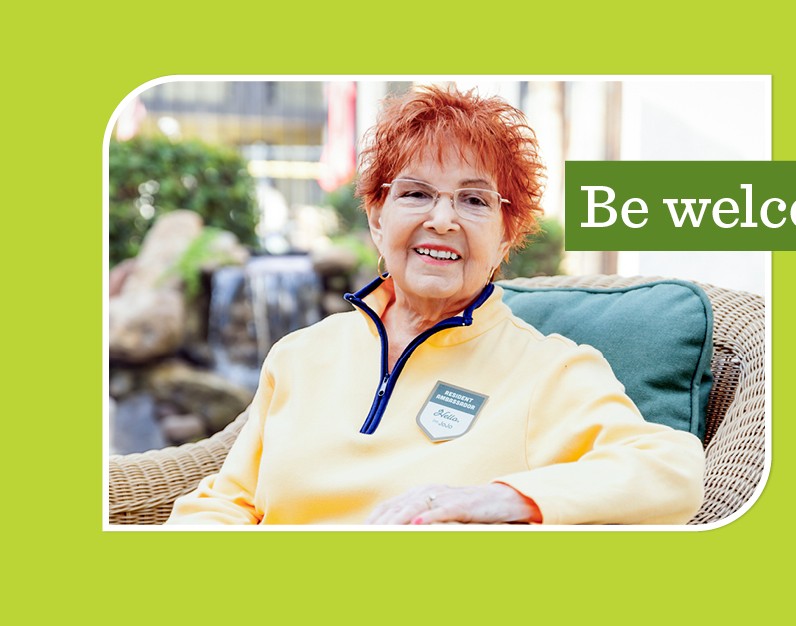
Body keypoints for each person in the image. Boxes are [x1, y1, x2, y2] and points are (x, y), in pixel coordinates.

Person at [165, 85, 704, 525]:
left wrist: (500, 499)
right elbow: (224, 501)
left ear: (506, 235)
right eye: (415, 193)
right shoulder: (301, 355)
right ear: (378, 217)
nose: (442, 219)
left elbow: (671, 470)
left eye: (474, 200)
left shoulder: (548, 371)